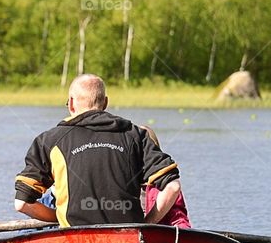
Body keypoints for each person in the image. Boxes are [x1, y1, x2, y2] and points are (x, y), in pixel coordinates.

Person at [14, 74, 182, 227]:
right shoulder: (135, 135)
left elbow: (22, 203)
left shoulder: (50, 140)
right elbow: (173, 187)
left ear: (71, 103)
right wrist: (147, 224)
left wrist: (57, 216)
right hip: (128, 239)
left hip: (74, 239)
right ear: (105, 103)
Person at [138, 125, 191, 228]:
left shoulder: (166, 182)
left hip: (158, 232)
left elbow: (178, 217)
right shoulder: (123, 179)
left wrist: (183, 230)